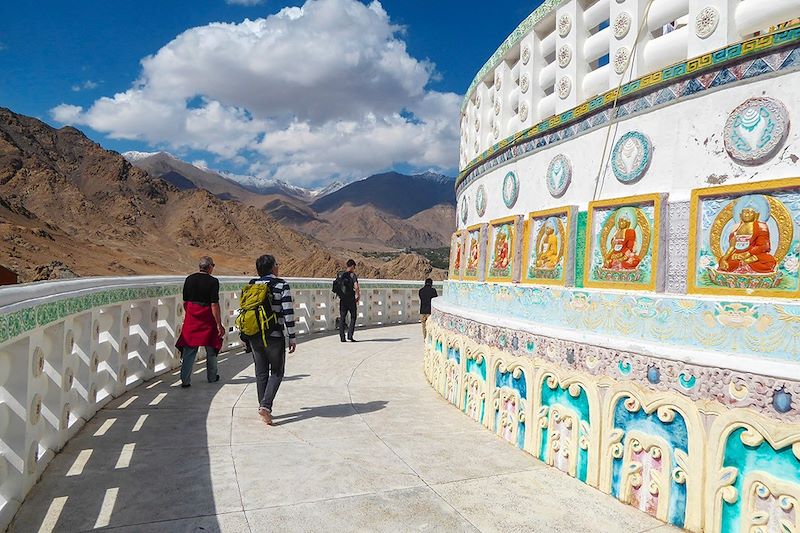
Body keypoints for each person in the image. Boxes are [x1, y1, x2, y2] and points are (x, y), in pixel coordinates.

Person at [244, 254, 297, 426]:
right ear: (273, 267)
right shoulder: (281, 284)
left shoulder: (252, 284)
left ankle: (263, 407)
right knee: (277, 371)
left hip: (254, 335)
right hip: (274, 335)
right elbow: (288, 311)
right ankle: (266, 406)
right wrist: (292, 336)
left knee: (260, 372)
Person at [176, 256, 224, 388]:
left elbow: (185, 302)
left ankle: (185, 380)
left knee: (189, 351)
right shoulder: (213, 281)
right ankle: (212, 376)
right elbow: (214, 304)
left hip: (192, 318)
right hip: (207, 318)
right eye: (213, 266)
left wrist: (190, 314)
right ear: (209, 267)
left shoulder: (189, 279)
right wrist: (219, 324)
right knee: (211, 349)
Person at [334, 259, 360, 342]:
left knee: (342, 317)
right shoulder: (352, 275)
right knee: (353, 317)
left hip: (342, 299)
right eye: (354, 267)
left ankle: (342, 337)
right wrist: (357, 295)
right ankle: (350, 335)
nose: (354, 268)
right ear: (352, 266)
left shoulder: (341, 274)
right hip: (351, 299)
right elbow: (356, 287)